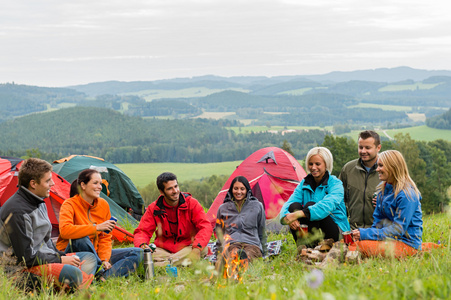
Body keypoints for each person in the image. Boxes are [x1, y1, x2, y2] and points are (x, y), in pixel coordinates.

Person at [0, 158, 96, 290]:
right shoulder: (17, 211)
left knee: (89, 257)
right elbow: (26, 258)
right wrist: (60, 260)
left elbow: (48, 243)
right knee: (73, 273)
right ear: (33, 184)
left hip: (46, 260)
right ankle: (80, 283)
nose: (52, 184)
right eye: (47, 181)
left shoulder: (40, 202)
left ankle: (75, 284)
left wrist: (61, 256)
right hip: (22, 271)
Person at [56, 169, 143, 279]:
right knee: (80, 238)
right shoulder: (69, 204)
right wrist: (96, 228)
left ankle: (103, 277)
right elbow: (65, 231)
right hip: (72, 253)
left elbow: (105, 238)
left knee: (138, 252)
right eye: (95, 183)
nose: (100, 187)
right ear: (83, 185)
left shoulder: (103, 205)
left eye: (101, 183)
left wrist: (104, 259)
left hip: (96, 254)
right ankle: (101, 270)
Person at [351, 150, 423, 258]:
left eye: (380, 166)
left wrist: (365, 234)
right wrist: (364, 235)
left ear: (392, 167)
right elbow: (377, 223)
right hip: (389, 240)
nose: (377, 169)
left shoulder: (407, 195)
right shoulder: (382, 189)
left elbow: (398, 230)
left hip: (407, 244)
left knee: (359, 246)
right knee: (352, 243)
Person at [133, 172, 212, 266]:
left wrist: (197, 248)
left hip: (187, 247)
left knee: (203, 249)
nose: (175, 191)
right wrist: (142, 245)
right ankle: (176, 263)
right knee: (143, 254)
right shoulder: (154, 208)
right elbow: (142, 231)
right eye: (170, 188)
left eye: (176, 186)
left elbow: (205, 227)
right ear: (161, 192)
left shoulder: (192, 203)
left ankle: (162, 265)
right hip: (163, 250)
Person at [279, 147, 350, 247]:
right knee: (293, 206)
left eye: (318, 164)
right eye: (311, 164)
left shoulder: (336, 184)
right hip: (313, 227)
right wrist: (287, 217)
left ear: (326, 164)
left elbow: (325, 207)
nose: (313, 167)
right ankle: (303, 248)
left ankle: (313, 248)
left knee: (310, 205)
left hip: (336, 230)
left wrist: (299, 214)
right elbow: (289, 203)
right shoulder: (304, 183)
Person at [215, 176, 267, 267]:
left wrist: (265, 252)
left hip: (252, 244)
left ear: (247, 190)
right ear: (231, 190)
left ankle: (239, 264)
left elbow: (261, 231)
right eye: (236, 189)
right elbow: (220, 233)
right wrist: (217, 254)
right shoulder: (223, 208)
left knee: (248, 256)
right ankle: (234, 265)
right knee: (232, 255)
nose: (239, 192)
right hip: (232, 244)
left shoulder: (257, 206)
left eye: (242, 189)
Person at [339, 130, 382, 229]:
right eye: (360, 147)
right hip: (353, 229)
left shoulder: (386, 170)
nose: (363, 151)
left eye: (367, 148)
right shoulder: (348, 169)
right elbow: (339, 199)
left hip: (378, 232)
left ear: (378, 148)